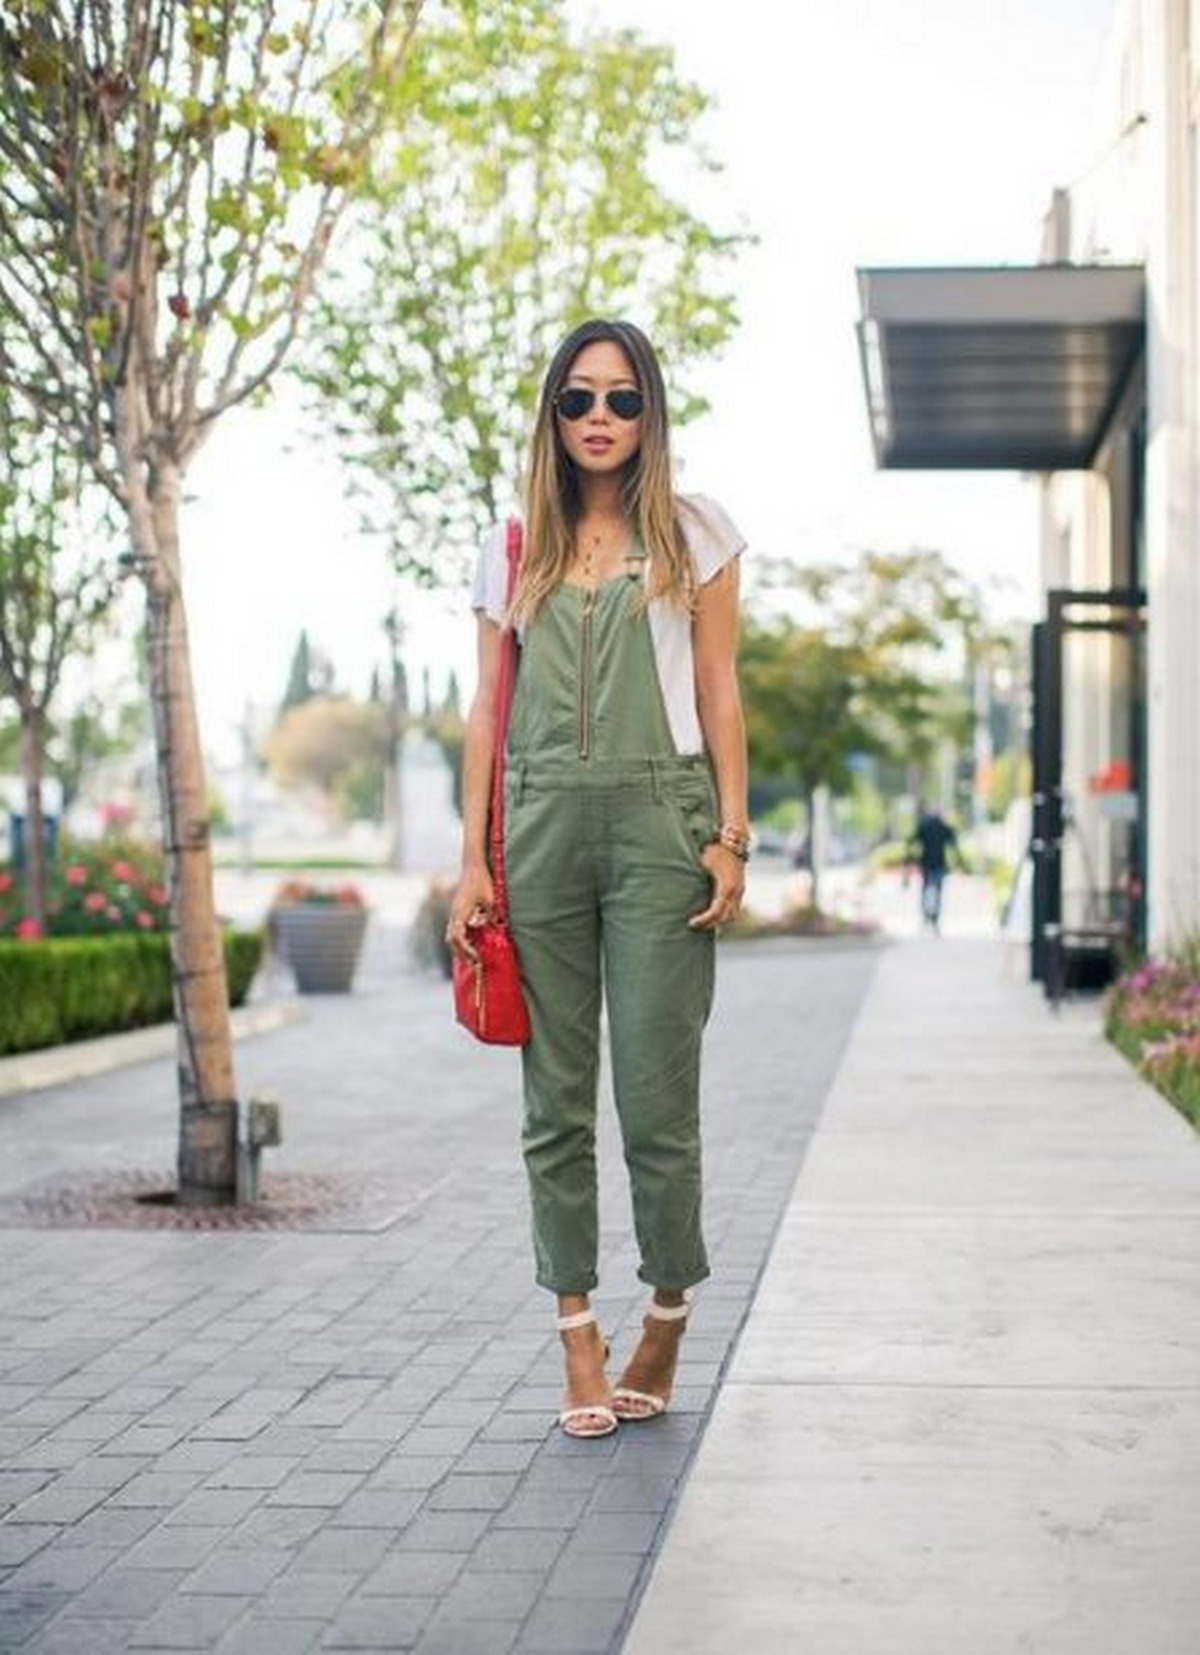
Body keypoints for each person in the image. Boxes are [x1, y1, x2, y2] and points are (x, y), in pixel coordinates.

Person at [446, 319, 749, 1439]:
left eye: (622, 399)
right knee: (554, 1101)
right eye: (578, 400)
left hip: (662, 821)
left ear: (650, 412)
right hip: (541, 826)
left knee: (658, 1100)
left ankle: (666, 1308)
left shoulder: (696, 532)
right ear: (553, 414)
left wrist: (731, 831)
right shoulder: (511, 542)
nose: (601, 419)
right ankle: (576, 1330)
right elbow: (486, 705)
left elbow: (717, 688)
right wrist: (474, 858)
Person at [906, 804, 964, 933]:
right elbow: (954, 845)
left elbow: (911, 841)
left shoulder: (924, 826)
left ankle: (926, 916)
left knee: (925, 890)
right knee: (938, 892)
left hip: (926, 863)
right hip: (939, 864)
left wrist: (910, 859)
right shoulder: (944, 827)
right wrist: (960, 862)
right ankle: (935, 919)